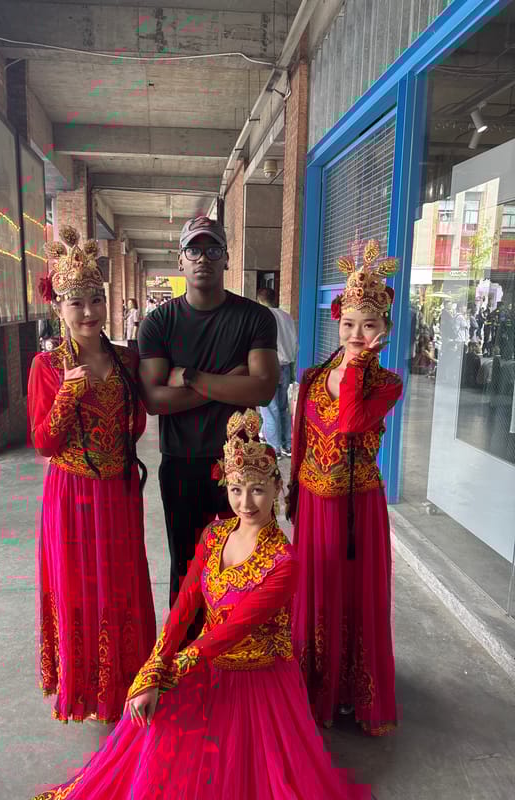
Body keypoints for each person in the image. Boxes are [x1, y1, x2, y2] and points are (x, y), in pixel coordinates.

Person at [30, 410, 371, 800]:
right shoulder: (215, 534)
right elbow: (185, 605)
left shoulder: (284, 561)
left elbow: (233, 630)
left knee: (247, 774)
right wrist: (154, 667)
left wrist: (169, 673)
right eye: (236, 489)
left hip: (259, 680)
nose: (245, 502)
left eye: (258, 490)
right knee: (152, 729)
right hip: (207, 663)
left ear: (277, 488)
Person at [28, 226, 156, 724]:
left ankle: (127, 682)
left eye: (96, 299)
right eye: (76, 303)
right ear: (58, 308)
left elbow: (136, 424)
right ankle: (85, 689)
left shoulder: (126, 359)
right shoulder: (48, 366)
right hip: (72, 494)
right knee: (79, 586)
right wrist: (67, 395)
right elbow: (44, 442)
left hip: (119, 493)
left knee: (121, 582)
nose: (88, 312)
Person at [138, 215, 279, 644]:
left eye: (213, 249)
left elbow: (264, 388)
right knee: (186, 564)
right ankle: (184, 651)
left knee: (244, 560)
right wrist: (227, 383)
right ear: (180, 260)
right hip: (181, 463)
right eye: (194, 250)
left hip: (241, 467)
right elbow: (154, 400)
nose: (203, 258)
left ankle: (238, 649)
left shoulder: (254, 318)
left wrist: (193, 377)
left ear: (226, 258)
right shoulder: (158, 323)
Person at [287, 239, 403, 736]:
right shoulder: (313, 376)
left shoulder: (388, 383)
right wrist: (294, 494)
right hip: (315, 505)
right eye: (349, 323)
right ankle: (317, 690)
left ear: (385, 329)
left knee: (353, 596)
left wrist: (356, 368)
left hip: (358, 510)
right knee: (317, 593)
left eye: (369, 325)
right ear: (337, 322)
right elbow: (300, 438)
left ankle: (353, 693)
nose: (357, 334)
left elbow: (352, 421)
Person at [256, 287, 298, 458]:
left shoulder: (261, 316)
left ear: (259, 300)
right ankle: (287, 445)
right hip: (286, 366)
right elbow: (294, 344)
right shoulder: (287, 317)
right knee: (282, 408)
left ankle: (274, 449)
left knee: (269, 410)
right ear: (275, 298)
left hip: (267, 367)